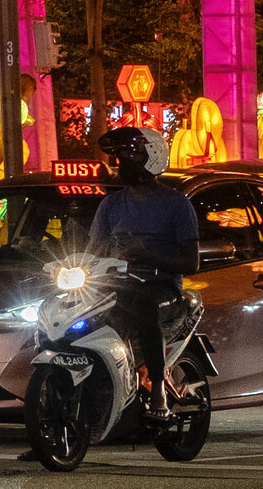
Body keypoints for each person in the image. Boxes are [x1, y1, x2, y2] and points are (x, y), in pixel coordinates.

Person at [88, 126, 198, 417]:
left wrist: (147, 255)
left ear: (152, 157)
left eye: (128, 155)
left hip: (161, 289)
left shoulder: (177, 205)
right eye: (119, 156)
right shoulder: (110, 205)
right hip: (118, 286)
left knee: (145, 307)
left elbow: (191, 262)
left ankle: (159, 390)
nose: (120, 162)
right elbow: (92, 251)